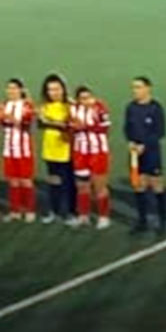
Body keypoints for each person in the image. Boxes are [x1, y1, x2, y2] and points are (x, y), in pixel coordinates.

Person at [125, 76, 166, 233]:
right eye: (133, 87)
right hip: (135, 153)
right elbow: (127, 128)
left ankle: (162, 221)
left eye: (138, 87)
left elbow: (160, 132)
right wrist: (131, 142)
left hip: (152, 152)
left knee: (156, 185)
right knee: (139, 185)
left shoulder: (156, 108)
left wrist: (144, 145)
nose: (135, 91)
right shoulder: (131, 107)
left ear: (148, 88)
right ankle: (142, 220)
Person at [69, 85, 112, 229]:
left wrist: (85, 127)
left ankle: (104, 216)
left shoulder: (100, 108)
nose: (86, 101)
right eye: (82, 98)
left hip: (98, 152)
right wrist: (73, 127)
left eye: (88, 97)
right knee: (82, 186)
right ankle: (83, 215)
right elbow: (70, 127)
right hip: (80, 152)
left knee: (99, 185)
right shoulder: (73, 109)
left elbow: (105, 127)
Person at [37, 74, 75, 224]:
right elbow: (40, 123)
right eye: (50, 90)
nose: (54, 93)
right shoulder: (45, 106)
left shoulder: (70, 106)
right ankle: (54, 210)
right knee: (54, 182)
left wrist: (51, 122)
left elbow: (69, 125)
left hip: (67, 149)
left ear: (63, 89)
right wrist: (55, 123)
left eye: (57, 89)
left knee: (68, 183)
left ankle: (70, 212)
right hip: (50, 150)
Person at [0, 78, 36, 222]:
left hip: (23, 148)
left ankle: (29, 210)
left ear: (21, 90)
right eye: (9, 88)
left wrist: (12, 118)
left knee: (25, 180)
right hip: (9, 148)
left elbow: (27, 124)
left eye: (14, 88)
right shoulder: (4, 105)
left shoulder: (27, 105)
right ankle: (15, 210)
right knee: (13, 180)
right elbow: (2, 123)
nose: (11, 91)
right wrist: (3, 118)